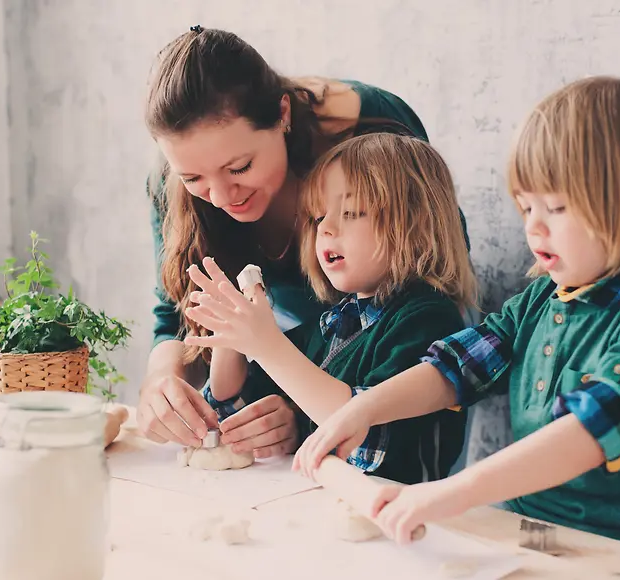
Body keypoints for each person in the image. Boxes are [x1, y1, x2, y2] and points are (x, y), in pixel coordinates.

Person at [293, 76, 620, 560]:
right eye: (525, 206)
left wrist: (453, 491)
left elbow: (588, 434)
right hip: (537, 532)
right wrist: (363, 410)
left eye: (556, 207)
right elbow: (453, 370)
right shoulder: (539, 300)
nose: (533, 226)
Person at [137, 25, 473, 457]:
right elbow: (178, 313)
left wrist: (295, 396)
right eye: (193, 178)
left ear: (282, 115)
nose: (221, 197)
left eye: (239, 167)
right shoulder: (168, 182)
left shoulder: (371, 130)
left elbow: (433, 265)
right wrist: (162, 380)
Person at [183, 133, 478, 483]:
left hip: (400, 518)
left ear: (417, 224)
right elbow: (234, 409)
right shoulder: (336, 322)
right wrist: (231, 340)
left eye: (351, 212)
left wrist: (267, 346)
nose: (327, 228)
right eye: (318, 216)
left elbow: (365, 440)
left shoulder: (427, 318)